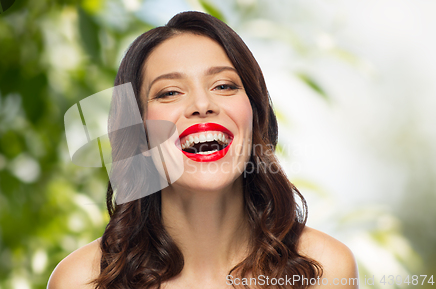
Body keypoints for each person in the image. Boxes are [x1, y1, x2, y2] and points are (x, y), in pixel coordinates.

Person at [48, 11, 358, 289]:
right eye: (169, 92)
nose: (201, 105)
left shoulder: (326, 271)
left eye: (224, 85)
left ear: (256, 115)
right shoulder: (81, 281)